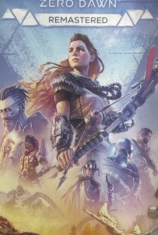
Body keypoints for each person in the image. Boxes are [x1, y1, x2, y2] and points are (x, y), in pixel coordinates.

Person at [25, 33, 130, 172]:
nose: (74, 53)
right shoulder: (65, 80)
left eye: (80, 49)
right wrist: (62, 148)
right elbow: (61, 117)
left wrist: (129, 112)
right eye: (71, 50)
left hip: (104, 155)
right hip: (79, 155)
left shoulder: (98, 88)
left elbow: (115, 122)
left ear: (91, 56)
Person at [0, 85, 48, 173]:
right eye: (1, 111)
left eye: (8, 110)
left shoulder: (37, 123)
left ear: (21, 107)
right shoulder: (7, 137)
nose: (4, 116)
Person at [103, 138, 141, 212]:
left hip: (129, 209)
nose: (127, 155)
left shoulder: (133, 168)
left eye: (130, 152)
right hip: (112, 208)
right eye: (122, 151)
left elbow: (137, 184)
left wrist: (132, 196)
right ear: (115, 152)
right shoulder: (106, 167)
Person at [131, 128, 158, 196]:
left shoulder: (147, 146)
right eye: (148, 136)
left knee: (149, 190)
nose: (149, 138)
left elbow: (147, 158)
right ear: (142, 135)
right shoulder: (132, 143)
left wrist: (154, 169)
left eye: (150, 137)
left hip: (144, 172)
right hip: (134, 173)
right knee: (139, 192)